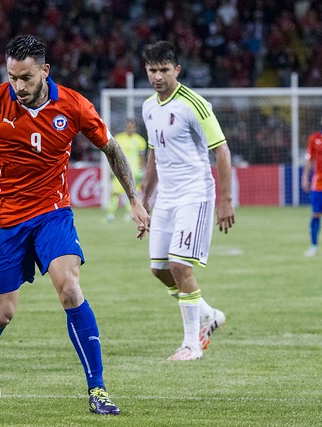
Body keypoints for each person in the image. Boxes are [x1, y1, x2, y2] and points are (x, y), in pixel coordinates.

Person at [0, 34, 149, 416]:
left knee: (70, 288)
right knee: (1, 313)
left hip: (52, 212)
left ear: (45, 71)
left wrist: (135, 200)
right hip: (1, 219)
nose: (18, 86)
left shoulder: (72, 105)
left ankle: (98, 389)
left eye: (25, 77)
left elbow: (111, 148)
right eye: (12, 77)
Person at [140, 41, 234, 361]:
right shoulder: (148, 107)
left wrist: (225, 200)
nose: (158, 76)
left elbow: (221, 150)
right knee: (159, 269)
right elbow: (153, 153)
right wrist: (143, 198)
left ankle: (192, 345)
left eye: (164, 70)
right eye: (152, 70)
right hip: (165, 196)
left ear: (177, 70)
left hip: (195, 194)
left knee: (180, 264)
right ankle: (208, 314)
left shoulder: (194, 104)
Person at [105, 118, 147, 223]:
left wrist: (142, 170)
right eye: (128, 127)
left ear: (135, 128)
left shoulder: (140, 141)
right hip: (119, 171)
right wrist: (112, 169)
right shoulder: (119, 138)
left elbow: (142, 157)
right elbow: (113, 155)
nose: (130, 129)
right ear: (125, 127)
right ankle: (110, 215)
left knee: (132, 194)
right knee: (115, 193)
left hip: (134, 172)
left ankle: (129, 215)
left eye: (132, 127)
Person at [301, 117, 322, 257]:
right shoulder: (314, 138)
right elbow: (310, 160)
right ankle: (313, 245)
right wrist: (305, 177)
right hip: (318, 184)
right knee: (315, 214)